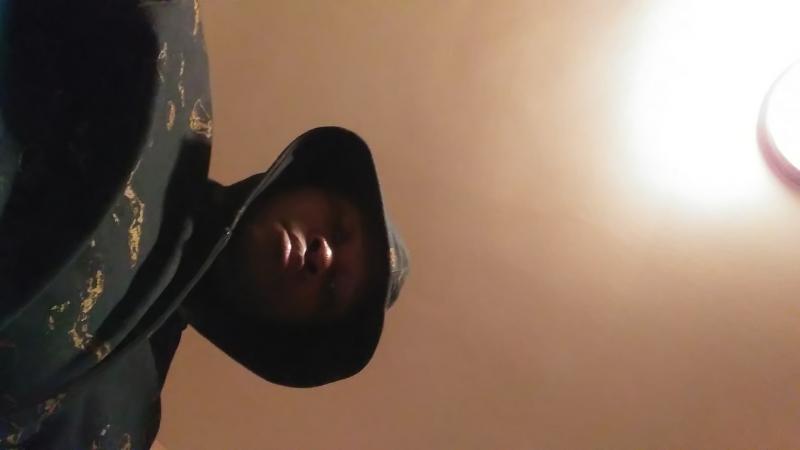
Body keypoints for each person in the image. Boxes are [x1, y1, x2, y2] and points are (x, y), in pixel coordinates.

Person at [0, 1, 409, 448]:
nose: (323, 256)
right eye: (340, 228)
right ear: (308, 184)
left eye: (330, 292)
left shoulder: (119, 421)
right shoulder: (168, 59)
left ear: (293, 333)